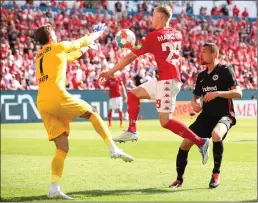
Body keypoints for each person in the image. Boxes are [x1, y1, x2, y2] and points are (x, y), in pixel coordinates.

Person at [35, 23, 134, 200]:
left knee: (62, 147)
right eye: (55, 33)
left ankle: (54, 187)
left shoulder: (40, 55)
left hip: (42, 102)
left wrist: (86, 48)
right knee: (92, 112)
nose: (58, 36)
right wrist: (96, 34)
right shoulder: (57, 46)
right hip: (56, 97)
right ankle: (113, 148)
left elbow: (69, 57)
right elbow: (79, 42)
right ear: (51, 36)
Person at [99, 6, 210, 164]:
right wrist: (138, 46)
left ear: (160, 18)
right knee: (133, 94)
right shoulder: (177, 34)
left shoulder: (152, 37)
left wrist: (111, 71)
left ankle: (201, 142)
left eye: (153, 16)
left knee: (165, 121)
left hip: (168, 82)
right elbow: (157, 47)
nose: (151, 19)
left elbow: (131, 57)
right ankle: (132, 130)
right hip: (166, 80)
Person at [169, 43, 242, 189]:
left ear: (213, 54)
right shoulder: (201, 76)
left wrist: (217, 93)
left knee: (216, 134)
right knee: (185, 143)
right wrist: (195, 103)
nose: (200, 55)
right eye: (200, 52)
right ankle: (179, 179)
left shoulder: (225, 70)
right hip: (205, 117)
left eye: (204, 52)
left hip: (225, 115)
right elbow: (195, 97)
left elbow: (238, 93)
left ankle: (216, 173)